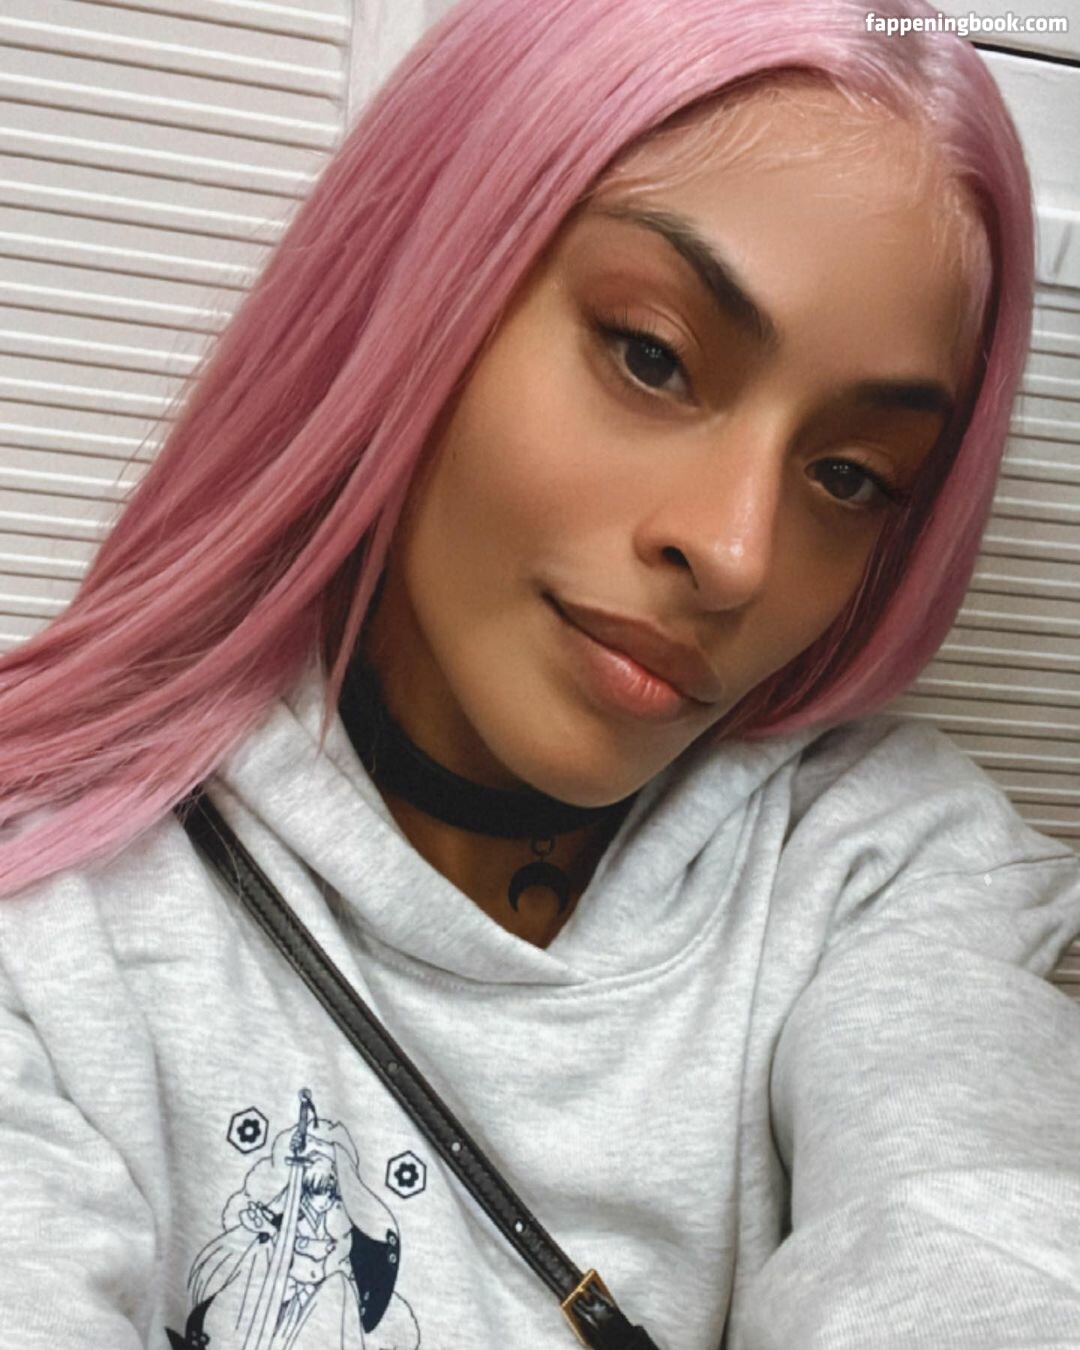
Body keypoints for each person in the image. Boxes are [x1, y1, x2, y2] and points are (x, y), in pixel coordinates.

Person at [0, 0, 1078, 1345]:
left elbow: (977, 1232)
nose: (738, 551)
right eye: (651, 355)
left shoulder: (878, 868)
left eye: (852, 475)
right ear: (417, 292)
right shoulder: (57, 924)